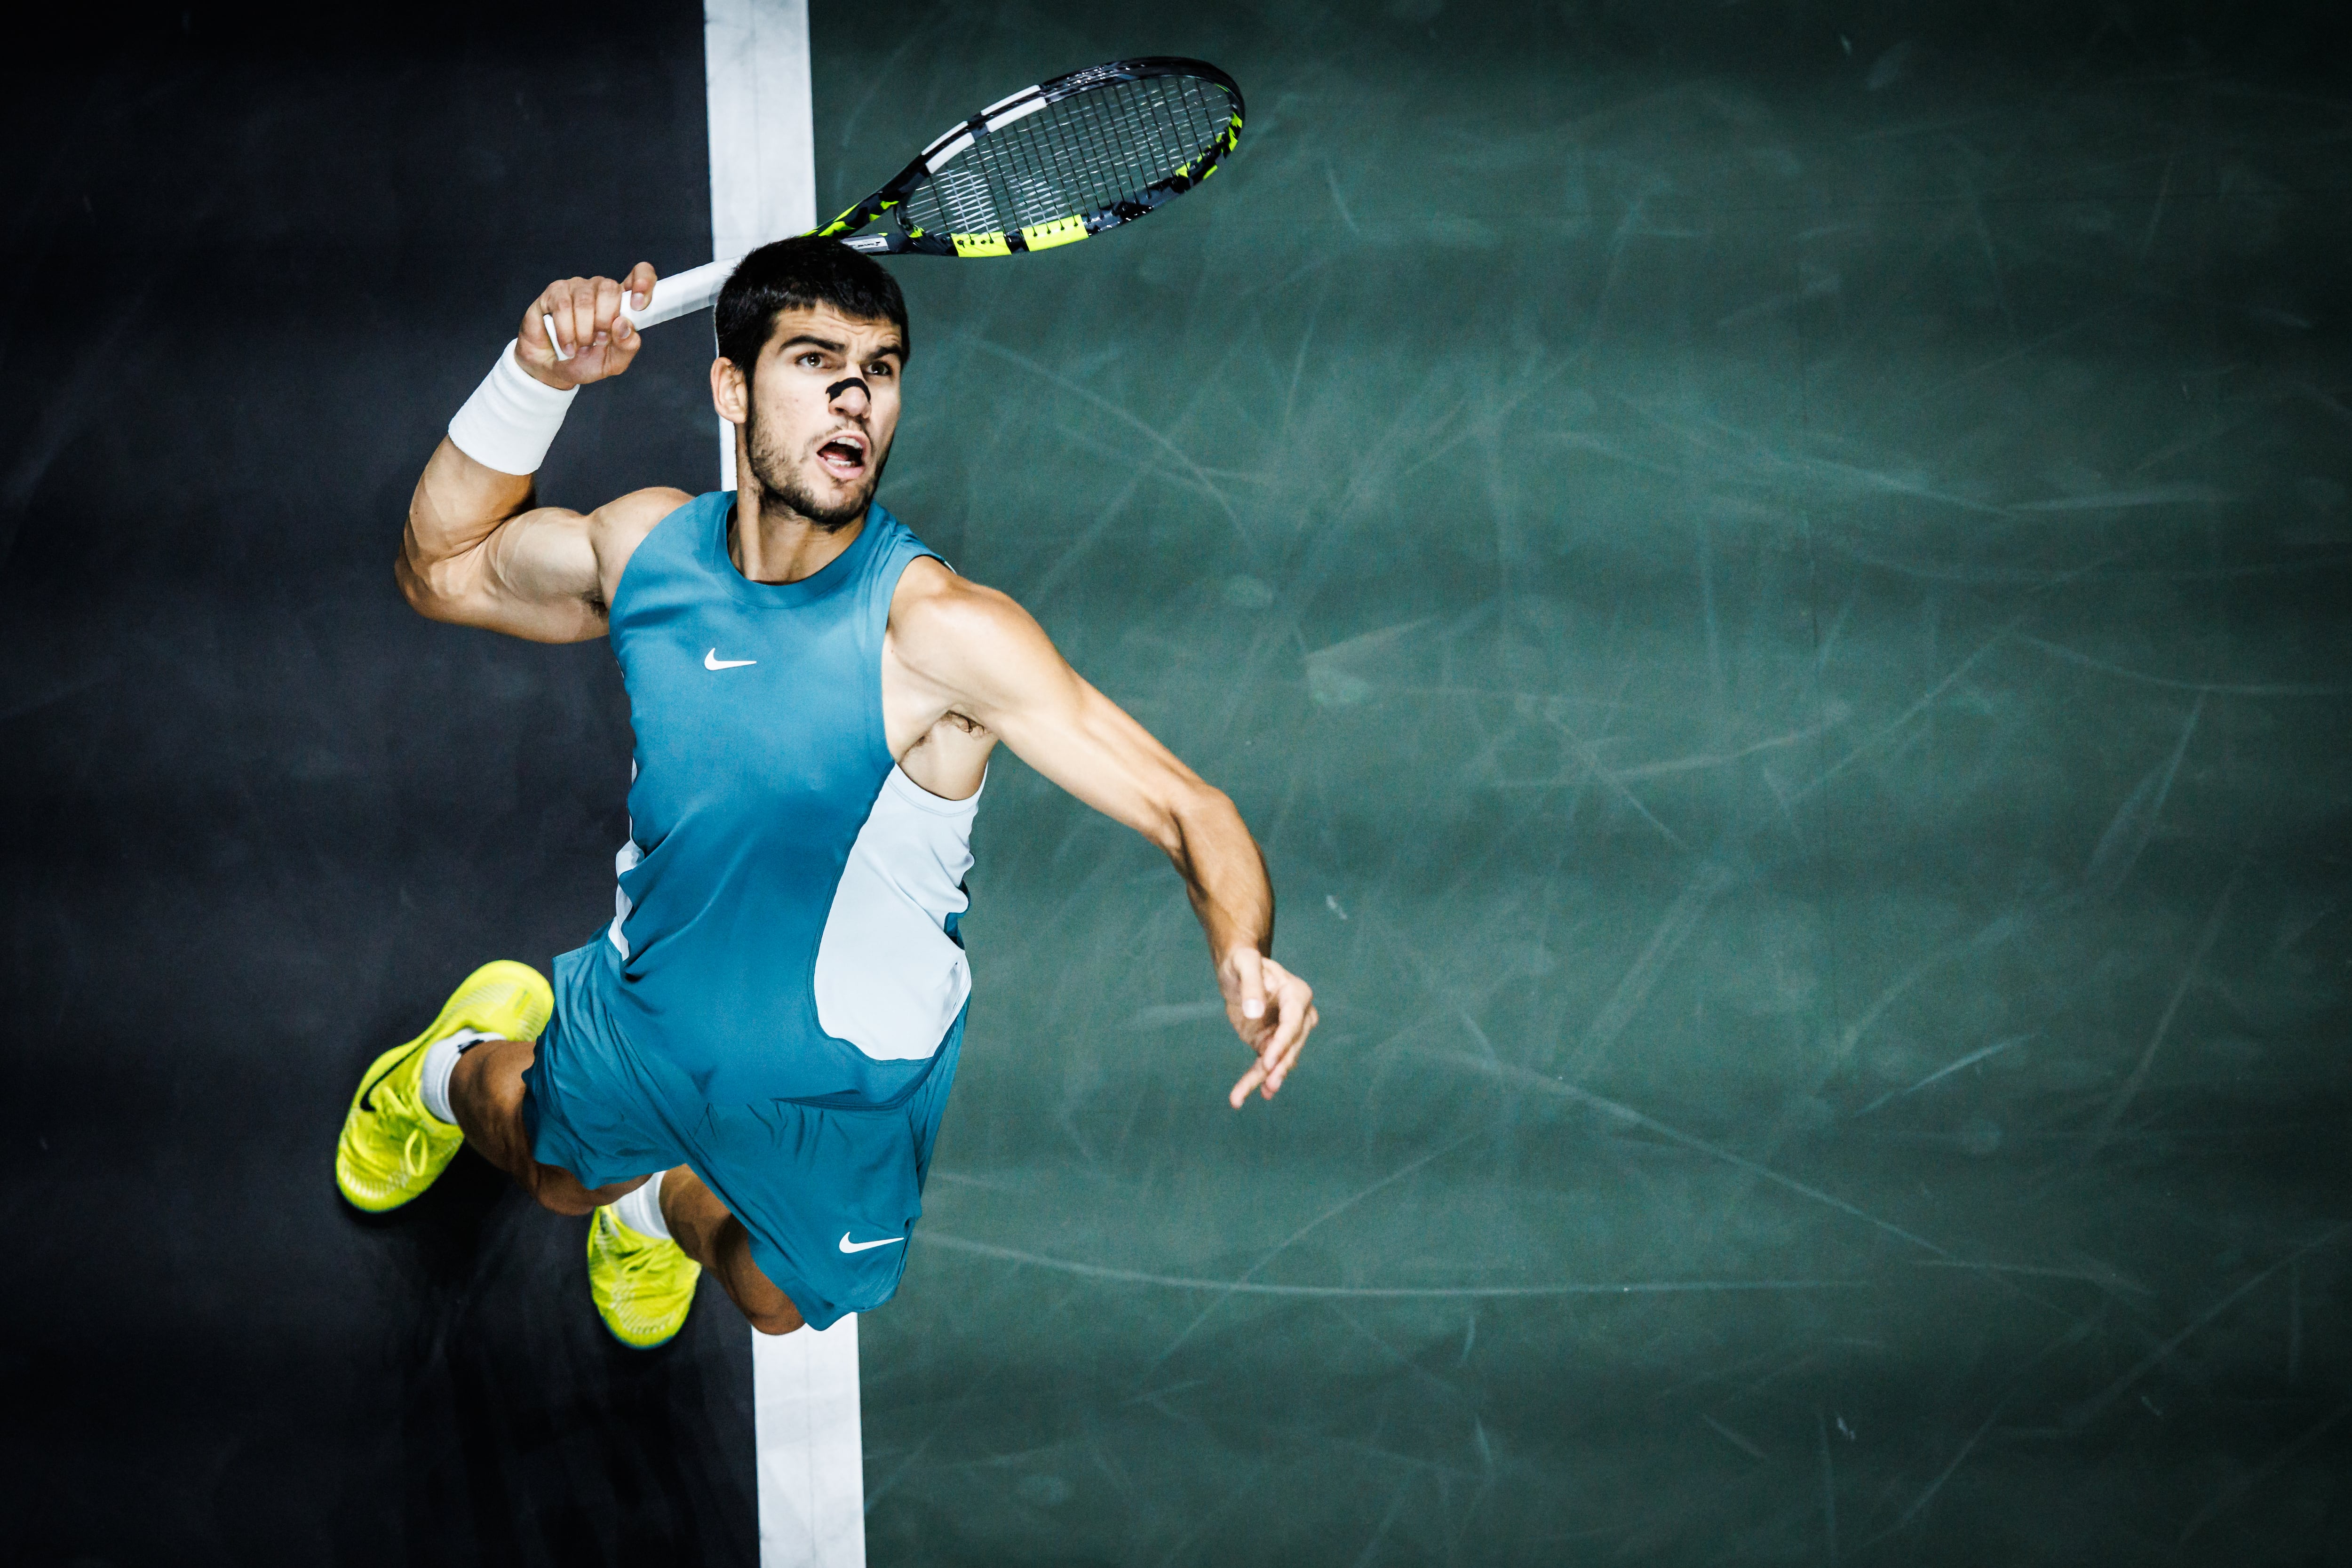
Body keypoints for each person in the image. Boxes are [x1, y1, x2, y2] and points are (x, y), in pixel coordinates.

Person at [333, 238, 1319, 1346]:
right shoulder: (648, 553)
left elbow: (1191, 808)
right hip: (647, 1017)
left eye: (882, 368)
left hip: (841, 1095)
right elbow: (442, 568)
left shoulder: (939, 634)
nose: (855, 393)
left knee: (772, 1295)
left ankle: (660, 1210)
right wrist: (534, 375)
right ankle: (438, 1071)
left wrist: (1243, 944)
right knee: (555, 1175)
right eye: (814, 359)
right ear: (729, 388)